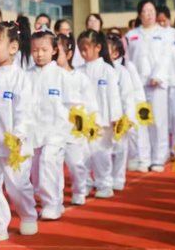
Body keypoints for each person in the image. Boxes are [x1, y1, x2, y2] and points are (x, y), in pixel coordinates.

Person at [0, 22, 37, 243]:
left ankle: (28, 215)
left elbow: (25, 110)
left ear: (13, 47)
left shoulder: (20, 78)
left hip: (15, 146)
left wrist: (19, 135)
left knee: (18, 186)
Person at [28, 27, 71, 220]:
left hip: (56, 132)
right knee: (38, 171)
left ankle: (51, 204)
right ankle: (55, 201)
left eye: (44, 49)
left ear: (54, 50)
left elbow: (73, 105)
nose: (39, 54)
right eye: (35, 50)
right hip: (33, 132)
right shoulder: (25, 75)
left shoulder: (61, 75)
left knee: (49, 163)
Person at [126, 1, 170, 172]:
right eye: (145, 11)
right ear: (139, 15)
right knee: (141, 122)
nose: (149, 14)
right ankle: (143, 158)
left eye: (152, 10)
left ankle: (159, 157)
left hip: (157, 84)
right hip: (138, 85)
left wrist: (158, 75)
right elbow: (128, 60)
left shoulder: (164, 34)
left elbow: (166, 57)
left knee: (158, 122)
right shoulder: (131, 35)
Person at [78, 30, 122, 199]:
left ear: (97, 47)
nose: (83, 53)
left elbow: (113, 96)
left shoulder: (107, 70)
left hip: (103, 121)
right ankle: (86, 183)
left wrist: (115, 119)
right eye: (80, 49)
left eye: (86, 48)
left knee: (102, 155)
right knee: (84, 156)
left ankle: (105, 184)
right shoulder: (78, 71)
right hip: (84, 122)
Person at [55, 33, 98, 205]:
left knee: (76, 163)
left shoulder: (80, 77)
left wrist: (87, 125)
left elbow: (91, 105)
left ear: (69, 54)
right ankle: (54, 197)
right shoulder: (50, 76)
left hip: (74, 127)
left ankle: (80, 189)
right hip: (54, 127)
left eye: (57, 52)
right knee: (52, 164)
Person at [106, 33, 136, 191]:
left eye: (107, 49)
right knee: (105, 150)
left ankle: (118, 177)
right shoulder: (101, 70)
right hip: (104, 118)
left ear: (116, 54)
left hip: (120, 119)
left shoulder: (122, 72)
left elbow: (128, 96)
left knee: (120, 149)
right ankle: (106, 177)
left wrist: (128, 117)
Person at [156, 5, 175, 158]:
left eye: (164, 20)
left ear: (168, 19)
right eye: (159, 20)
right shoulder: (154, 35)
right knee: (161, 118)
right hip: (159, 84)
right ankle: (161, 150)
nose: (162, 23)